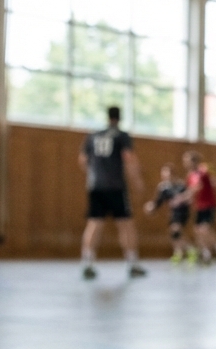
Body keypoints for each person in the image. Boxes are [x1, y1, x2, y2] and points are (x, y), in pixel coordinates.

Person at [79, 105, 146, 280]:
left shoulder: (93, 136)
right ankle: (132, 263)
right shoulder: (122, 136)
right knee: (125, 225)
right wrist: (137, 181)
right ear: (119, 117)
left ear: (107, 117)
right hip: (116, 187)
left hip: (95, 186)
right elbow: (129, 159)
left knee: (94, 224)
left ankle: (87, 263)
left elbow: (83, 160)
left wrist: (94, 174)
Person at [180, 151, 216, 265]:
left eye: (188, 161)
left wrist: (183, 197)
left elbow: (197, 187)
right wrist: (188, 199)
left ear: (195, 161)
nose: (186, 163)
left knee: (204, 228)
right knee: (197, 231)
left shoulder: (203, 172)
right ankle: (206, 253)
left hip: (209, 204)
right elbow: (191, 190)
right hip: (199, 206)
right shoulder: (190, 175)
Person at [144, 163, 192, 264]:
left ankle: (187, 251)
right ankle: (182, 251)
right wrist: (152, 207)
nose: (166, 176)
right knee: (174, 233)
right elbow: (158, 201)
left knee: (176, 229)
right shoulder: (163, 187)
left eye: (168, 174)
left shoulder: (181, 185)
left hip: (183, 211)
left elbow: (189, 197)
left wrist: (182, 199)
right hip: (173, 212)